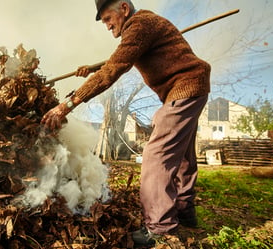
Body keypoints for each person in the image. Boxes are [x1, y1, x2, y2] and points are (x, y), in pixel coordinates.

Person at [41, 0, 210, 247]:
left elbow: (114, 68)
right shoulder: (143, 28)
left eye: (108, 19)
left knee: (157, 154)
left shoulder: (140, 24)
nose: (107, 26)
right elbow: (117, 59)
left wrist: (68, 104)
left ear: (123, 8)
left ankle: (160, 228)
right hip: (193, 86)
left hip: (184, 88)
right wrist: (90, 68)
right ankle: (185, 211)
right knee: (182, 154)